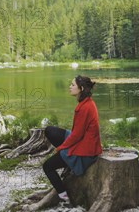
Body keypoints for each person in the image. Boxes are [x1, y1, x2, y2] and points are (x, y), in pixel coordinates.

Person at [42, 75, 102, 203]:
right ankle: (68, 165)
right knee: (50, 131)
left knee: (47, 166)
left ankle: (64, 198)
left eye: (72, 85)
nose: (70, 87)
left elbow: (76, 135)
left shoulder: (84, 108)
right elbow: (77, 133)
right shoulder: (87, 102)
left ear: (80, 88)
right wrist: (63, 146)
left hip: (85, 151)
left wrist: (61, 148)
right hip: (83, 140)